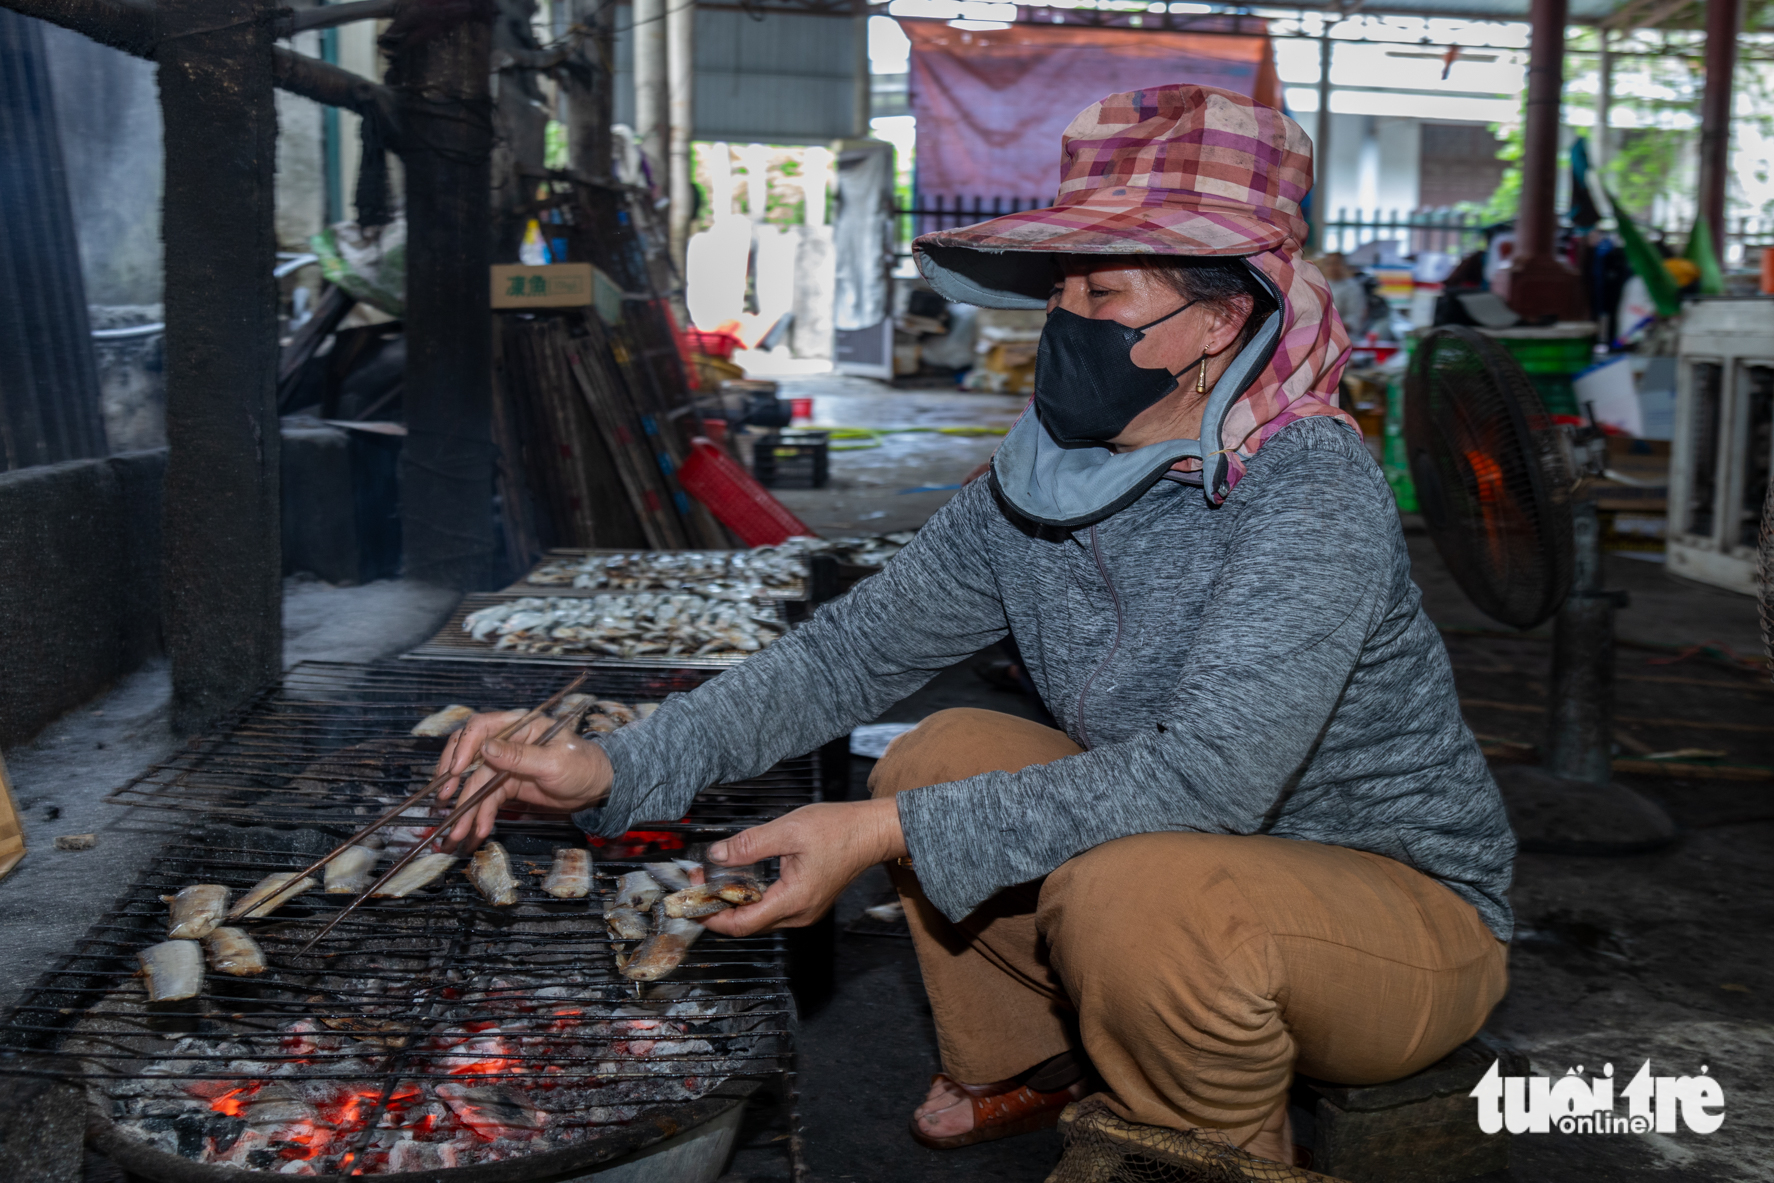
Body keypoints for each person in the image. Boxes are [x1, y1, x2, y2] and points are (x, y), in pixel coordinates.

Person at [434, 85, 1514, 1178]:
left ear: (1219, 320)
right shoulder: (1043, 476)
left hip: (1389, 903)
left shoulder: (1307, 482)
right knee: (937, 749)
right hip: (1198, 851)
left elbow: (1212, 779)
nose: (1064, 318)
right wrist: (615, 764)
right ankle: (1032, 1062)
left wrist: (875, 836)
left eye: (1104, 289)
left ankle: (1212, 1151)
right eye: (1060, 289)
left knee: (1129, 894)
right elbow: (844, 655)